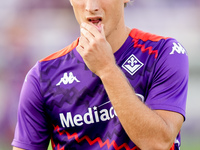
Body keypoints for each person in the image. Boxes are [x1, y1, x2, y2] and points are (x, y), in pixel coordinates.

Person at [12, 0, 189, 150]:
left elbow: (158, 143)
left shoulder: (163, 53)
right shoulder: (43, 76)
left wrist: (107, 69)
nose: (91, 6)